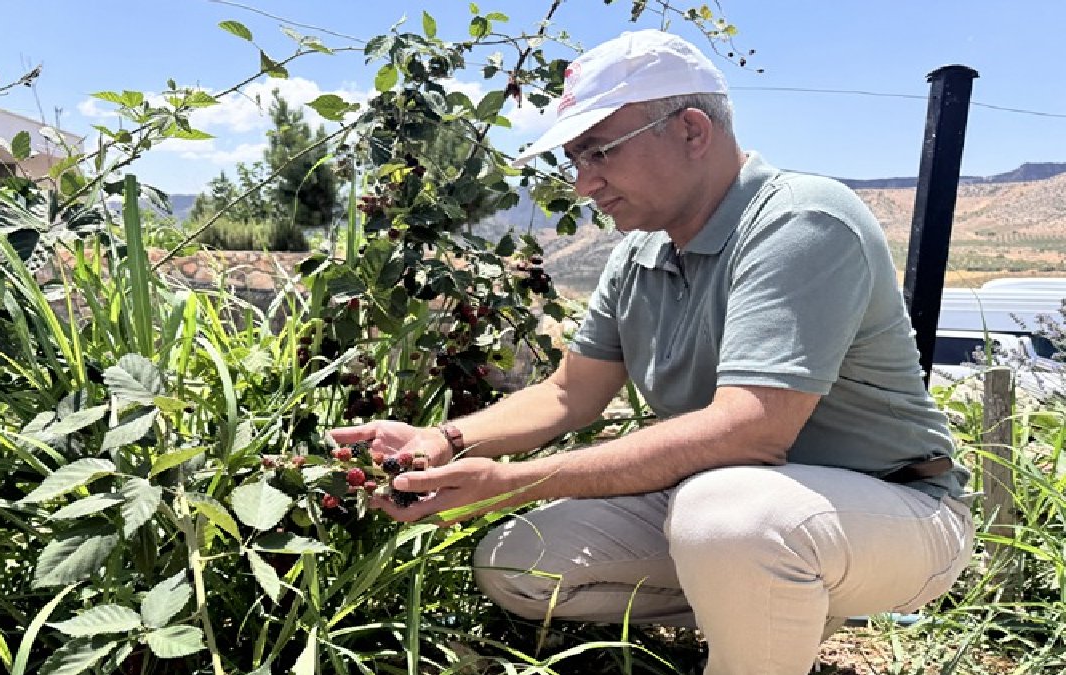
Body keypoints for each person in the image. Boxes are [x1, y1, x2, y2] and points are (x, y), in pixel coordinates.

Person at [331, 29, 975, 675]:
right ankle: (776, 608)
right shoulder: (639, 255)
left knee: (732, 516)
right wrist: (448, 438)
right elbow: (567, 392)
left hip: (894, 511)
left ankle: (766, 626)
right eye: (574, 160)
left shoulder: (802, 220)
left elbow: (750, 431)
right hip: (747, 511)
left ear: (692, 129)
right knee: (518, 563)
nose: (584, 183)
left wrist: (509, 483)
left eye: (598, 152)